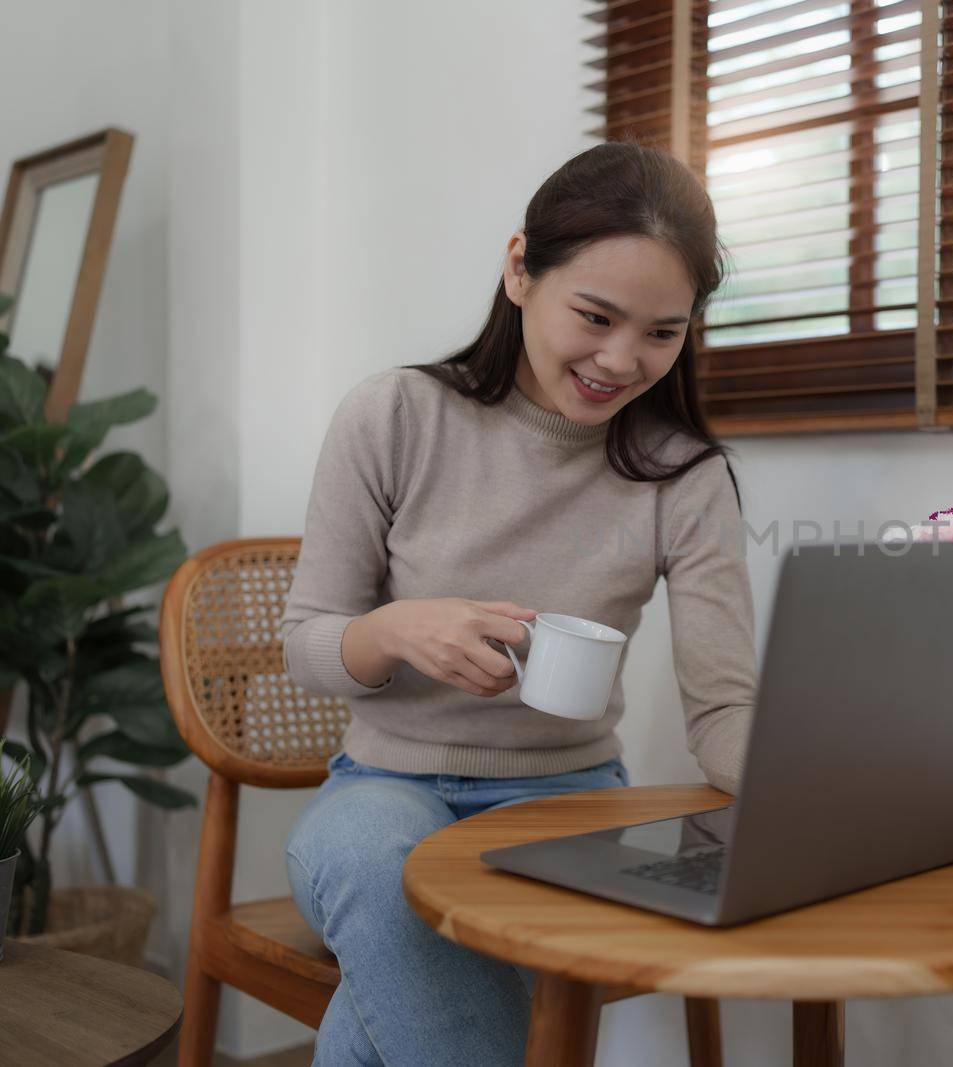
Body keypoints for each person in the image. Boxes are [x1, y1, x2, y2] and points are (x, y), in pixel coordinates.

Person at [278, 139, 757, 1065]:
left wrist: (814, 778)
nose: (622, 361)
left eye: (662, 332)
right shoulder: (395, 416)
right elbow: (307, 643)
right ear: (518, 270)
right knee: (388, 880)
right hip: (383, 790)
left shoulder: (686, 478)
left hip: (570, 808)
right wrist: (392, 629)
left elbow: (724, 709)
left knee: (376, 1016)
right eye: (596, 315)